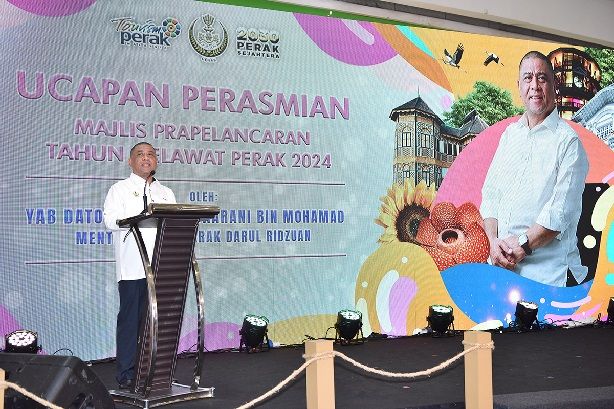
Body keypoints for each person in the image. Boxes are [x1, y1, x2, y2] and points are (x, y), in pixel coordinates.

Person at [480, 51, 588, 287]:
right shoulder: (509, 135)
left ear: (554, 85)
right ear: (519, 86)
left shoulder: (568, 142)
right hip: (500, 268)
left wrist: (522, 246)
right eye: (528, 78)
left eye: (542, 78)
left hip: (548, 277)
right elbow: (491, 194)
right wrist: (492, 241)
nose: (535, 86)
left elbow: (559, 213)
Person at [103, 142, 176, 389]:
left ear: (156, 161)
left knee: (158, 322)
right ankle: (127, 373)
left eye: (151, 155)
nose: (146, 158)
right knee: (131, 322)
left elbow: (173, 224)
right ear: (130, 161)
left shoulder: (166, 192)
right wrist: (137, 218)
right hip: (133, 268)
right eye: (140, 154)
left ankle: (157, 371)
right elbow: (111, 221)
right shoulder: (119, 189)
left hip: (162, 267)